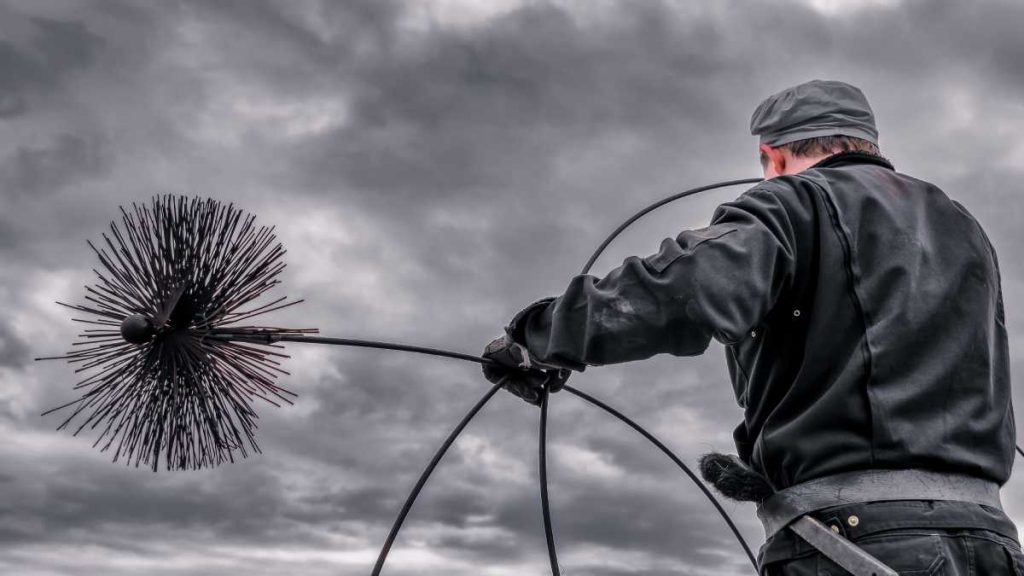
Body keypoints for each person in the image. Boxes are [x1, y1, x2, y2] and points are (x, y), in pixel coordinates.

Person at [482, 79, 1022, 574]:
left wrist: (537, 338)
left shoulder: (793, 201)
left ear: (774, 154)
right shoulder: (964, 227)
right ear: (867, 143)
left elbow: (684, 290)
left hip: (854, 542)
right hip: (991, 542)